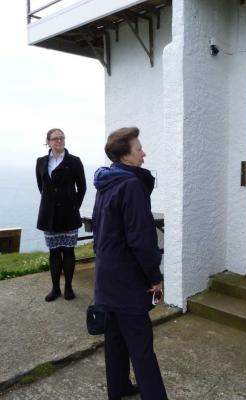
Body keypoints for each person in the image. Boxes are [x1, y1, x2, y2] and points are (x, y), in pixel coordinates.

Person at [92, 127, 168, 400]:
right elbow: (142, 240)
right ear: (125, 156)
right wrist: (155, 277)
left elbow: (99, 231)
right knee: (141, 346)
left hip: (107, 277)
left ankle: (120, 389)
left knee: (115, 340)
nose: (143, 152)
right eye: (139, 149)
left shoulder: (107, 182)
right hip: (126, 280)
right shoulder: (131, 185)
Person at [36, 128, 86, 302]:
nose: (59, 141)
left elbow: (82, 187)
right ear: (48, 142)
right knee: (54, 253)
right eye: (55, 138)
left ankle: (69, 288)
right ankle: (55, 288)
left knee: (69, 251)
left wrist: (74, 207)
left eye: (61, 138)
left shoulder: (74, 161)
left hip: (69, 214)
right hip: (49, 215)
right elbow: (41, 187)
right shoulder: (41, 162)